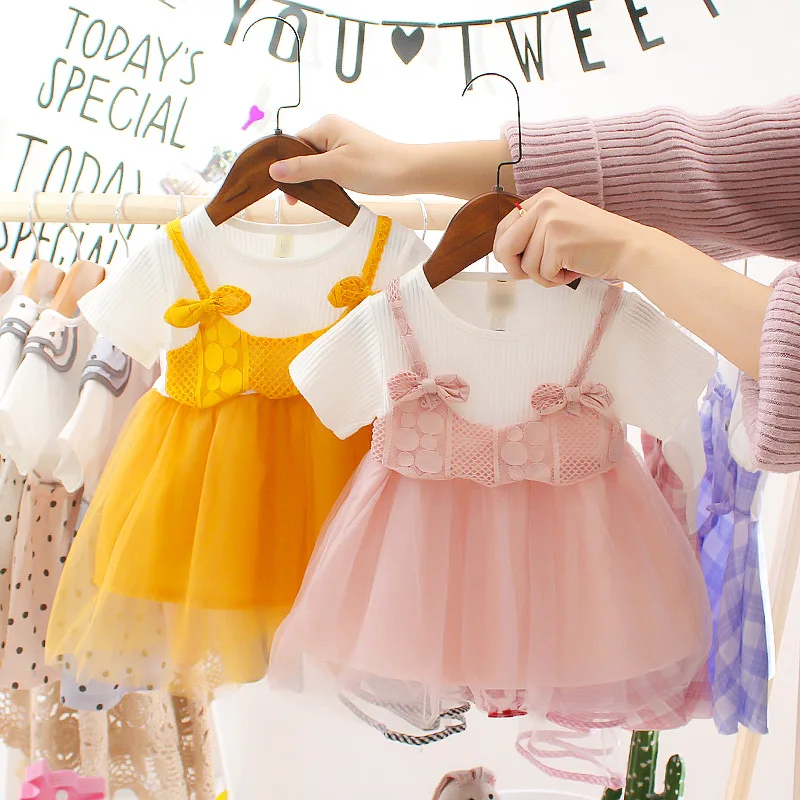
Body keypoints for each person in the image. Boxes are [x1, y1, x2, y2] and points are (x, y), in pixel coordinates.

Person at [268, 98, 800, 472]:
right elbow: (739, 165)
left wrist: (634, 250)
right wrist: (405, 165)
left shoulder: (613, 322)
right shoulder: (391, 315)